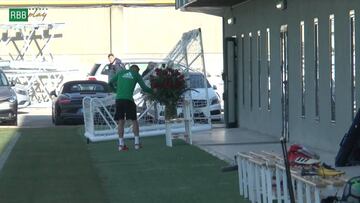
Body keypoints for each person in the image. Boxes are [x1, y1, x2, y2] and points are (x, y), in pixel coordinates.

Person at [109, 64, 153, 151]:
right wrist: (153, 91)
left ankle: (121, 145)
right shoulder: (136, 75)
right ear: (136, 70)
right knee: (134, 121)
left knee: (121, 122)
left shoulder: (121, 73)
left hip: (119, 100)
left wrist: (116, 90)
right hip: (129, 100)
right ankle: (137, 143)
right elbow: (144, 88)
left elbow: (110, 83)